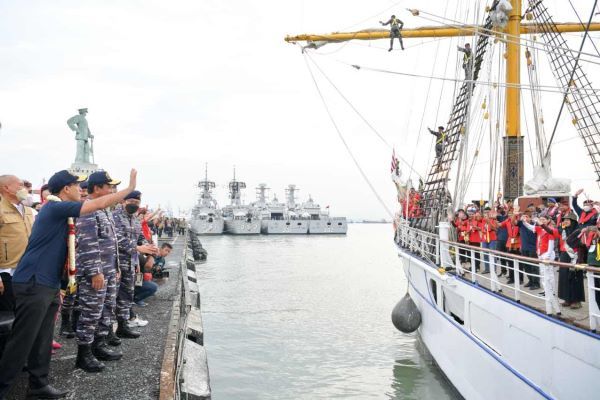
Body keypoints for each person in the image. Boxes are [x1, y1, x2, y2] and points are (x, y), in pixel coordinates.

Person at [0, 169, 137, 399]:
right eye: (77, 186)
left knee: (42, 338)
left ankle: (38, 385)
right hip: (34, 282)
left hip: (48, 282)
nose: (81, 191)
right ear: (66, 189)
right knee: (22, 341)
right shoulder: (55, 207)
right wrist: (128, 189)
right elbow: (96, 204)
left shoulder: (59, 211)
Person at [75, 171, 128, 372]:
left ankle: (99, 344)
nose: (112, 190)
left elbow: (110, 243)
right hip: (95, 273)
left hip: (108, 271)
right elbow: (88, 244)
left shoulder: (104, 210)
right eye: (109, 187)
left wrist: (115, 269)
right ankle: (84, 354)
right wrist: (95, 272)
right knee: (90, 312)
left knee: (106, 309)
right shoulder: (88, 209)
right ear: (97, 188)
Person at [113, 190, 157, 336]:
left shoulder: (134, 219)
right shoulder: (115, 217)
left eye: (137, 203)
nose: (134, 205)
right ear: (123, 201)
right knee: (113, 297)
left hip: (131, 263)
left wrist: (149, 248)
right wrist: (138, 248)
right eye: (131, 202)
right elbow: (117, 240)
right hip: (116, 264)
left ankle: (123, 326)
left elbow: (139, 238)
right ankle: (107, 332)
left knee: (127, 295)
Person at [0, 175, 34, 357]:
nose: (24, 188)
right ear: (6, 188)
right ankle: (9, 358)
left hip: (28, 272)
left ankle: (22, 356)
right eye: (20, 185)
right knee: (10, 316)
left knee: (25, 316)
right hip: (8, 273)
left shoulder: (27, 210)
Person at [521, 215, 561, 316]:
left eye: (544, 219)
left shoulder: (551, 229)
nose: (541, 221)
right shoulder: (539, 228)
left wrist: (546, 256)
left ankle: (551, 291)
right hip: (540, 254)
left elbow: (551, 245)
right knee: (544, 273)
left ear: (548, 221)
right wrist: (524, 222)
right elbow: (530, 227)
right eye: (541, 219)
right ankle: (546, 290)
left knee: (549, 274)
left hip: (546, 255)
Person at [557, 212, 584, 309]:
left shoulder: (578, 231)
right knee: (564, 277)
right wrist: (562, 227)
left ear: (572, 221)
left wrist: (579, 259)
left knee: (574, 278)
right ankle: (567, 299)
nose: (565, 221)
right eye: (564, 220)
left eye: (567, 220)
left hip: (575, 256)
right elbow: (558, 232)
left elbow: (581, 245)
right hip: (565, 255)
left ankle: (576, 301)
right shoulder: (564, 230)